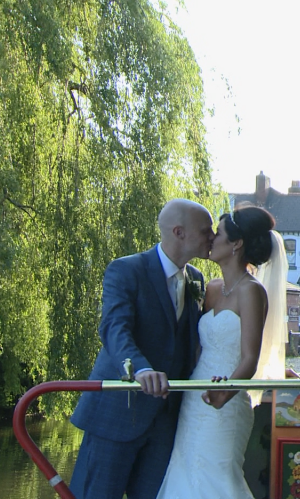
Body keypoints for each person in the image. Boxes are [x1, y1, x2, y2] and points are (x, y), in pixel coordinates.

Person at [70, 199, 215, 499]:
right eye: (206, 231)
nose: (212, 237)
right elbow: (114, 329)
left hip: (166, 422)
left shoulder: (197, 280)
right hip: (117, 413)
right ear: (179, 232)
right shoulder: (126, 270)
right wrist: (141, 368)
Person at [155, 205, 287, 498]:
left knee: (218, 475)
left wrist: (224, 392)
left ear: (236, 243)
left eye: (219, 233)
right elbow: (197, 347)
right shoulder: (211, 288)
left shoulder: (252, 292)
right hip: (194, 398)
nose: (211, 238)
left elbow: (250, 358)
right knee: (185, 472)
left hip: (225, 399)